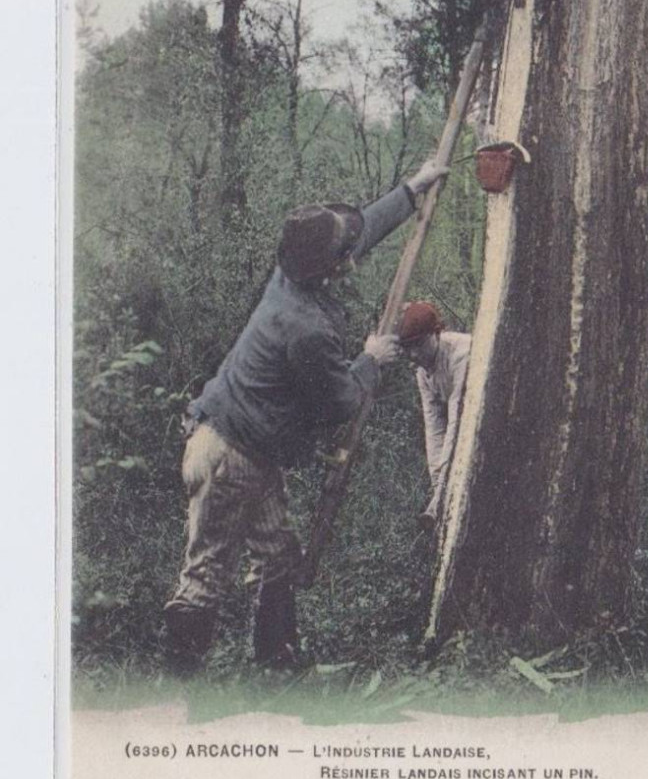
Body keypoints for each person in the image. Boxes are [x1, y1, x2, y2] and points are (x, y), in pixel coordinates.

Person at [163, 160, 448, 674]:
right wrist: (371, 362)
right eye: (344, 252)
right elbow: (337, 402)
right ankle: (178, 688)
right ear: (332, 267)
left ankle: (279, 662)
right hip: (229, 456)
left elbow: (360, 231)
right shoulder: (307, 328)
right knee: (206, 572)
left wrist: (412, 189)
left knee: (277, 554)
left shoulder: (291, 273)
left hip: (248, 451)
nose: (351, 253)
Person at [398, 302, 472, 531]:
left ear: (436, 333)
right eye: (407, 348)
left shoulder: (461, 354)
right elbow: (434, 427)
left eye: (418, 345)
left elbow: (456, 419)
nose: (413, 355)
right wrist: (437, 485)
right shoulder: (423, 372)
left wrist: (442, 489)